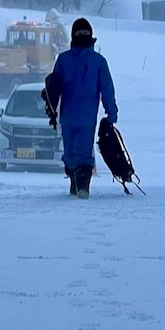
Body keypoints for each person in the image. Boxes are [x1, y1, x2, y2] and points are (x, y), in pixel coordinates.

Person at [42, 17, 117, 199]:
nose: (82, 36)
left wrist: (111, 111)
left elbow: (107, 88)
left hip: (86, 116)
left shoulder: (98, 62)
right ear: (74, 36)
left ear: (91, 35)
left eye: (85, 33)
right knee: (69, 151)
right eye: (79, 33)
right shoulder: (63, 60)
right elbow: (55, 87)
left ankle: (83, 184)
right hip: (67, 117)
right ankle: (75, 181)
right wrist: (50, 107)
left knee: (83, 150)